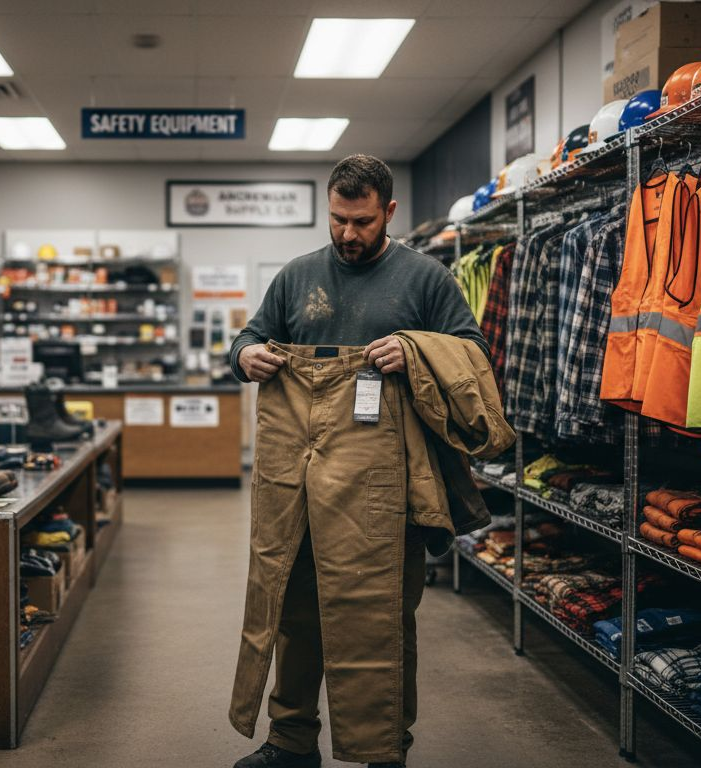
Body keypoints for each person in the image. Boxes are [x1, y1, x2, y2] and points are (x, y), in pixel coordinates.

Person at [227, 155, 488, 768]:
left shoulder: (425, 279)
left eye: (363, 221)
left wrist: (416, 351)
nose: (348, 233)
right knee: (293, 608)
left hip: (384, 482)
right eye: (338, 219)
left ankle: (384, 749)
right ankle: (291, 742)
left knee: (381, 615)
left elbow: (473, 353)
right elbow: (250, 335)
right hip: (297, 475)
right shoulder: (297, 276)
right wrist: (244, 357)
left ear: (388, 211)